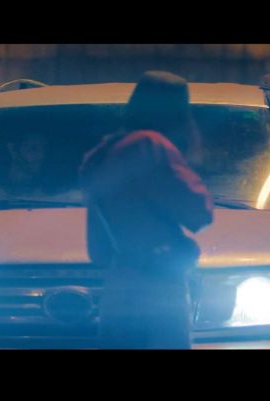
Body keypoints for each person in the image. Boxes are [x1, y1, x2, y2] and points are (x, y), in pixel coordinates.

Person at [79, 71, 213, 349]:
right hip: (158, 288)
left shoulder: (101, 153)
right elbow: (199, 212)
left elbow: (98, 249)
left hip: (117, 285)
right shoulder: (151, 146)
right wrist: (193, 151)